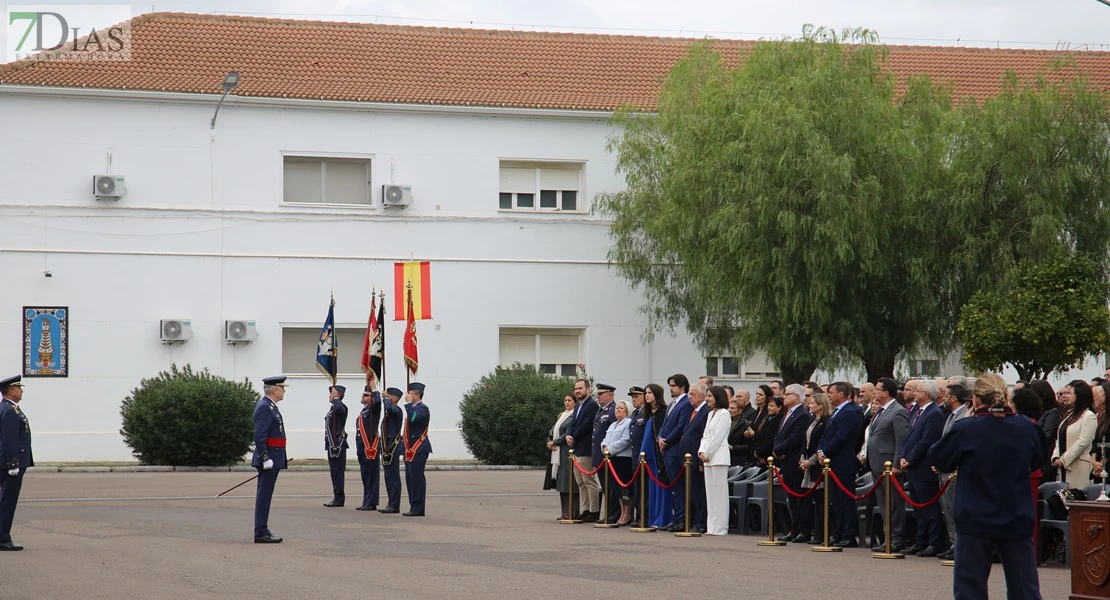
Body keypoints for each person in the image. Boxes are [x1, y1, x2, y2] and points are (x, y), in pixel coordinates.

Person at [929, 373, 1047, 600]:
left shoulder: (966, 428)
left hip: (975, 514)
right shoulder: (1026, 427)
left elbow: (940, 459)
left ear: (975, 399)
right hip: (1016, 512)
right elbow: (1038, 460)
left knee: (970, 587)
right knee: (1024, 587)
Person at [898, 379, 946, 557]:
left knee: (929, 508)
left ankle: (935, 542)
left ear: (926, 394)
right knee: (918, 508)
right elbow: (909, 437)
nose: (914, 393)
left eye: (917, 391)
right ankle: (920, 541)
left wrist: (910, 459)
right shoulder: (916, 411)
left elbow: (927, 440)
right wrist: (903, 456)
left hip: (924, 467)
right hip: (912, 467)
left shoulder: (934, 413)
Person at [817, 382, 864, 548]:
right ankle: (837, 532)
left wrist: (826, 452)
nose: (828, 395)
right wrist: (820, 451)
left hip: (843, 462)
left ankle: (848, 534)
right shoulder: (836, 412)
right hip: (831, 463)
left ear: (841, 394)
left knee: (845, 501)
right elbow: (825, 435)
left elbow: (841, 437)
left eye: (831, 392)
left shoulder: (849, 412)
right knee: (835, 501)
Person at [867, 377, 909, 553]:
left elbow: (901, 439)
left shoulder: (898, 411)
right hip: (877, 464)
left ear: (886, 392)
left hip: (889, 465)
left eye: (877, 389)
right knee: (884, 503)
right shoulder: (880, 411)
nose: (874, 392)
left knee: (894, 504)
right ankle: (887, 537)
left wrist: (896, 463)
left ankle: (897, 538)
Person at [935, 382, 972, 561]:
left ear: (954, 398)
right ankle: (953, 544)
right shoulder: (950, 416)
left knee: (955, 509)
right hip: (945, 470)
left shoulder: (965, 416)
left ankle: (960, 545)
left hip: (955, 471)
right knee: (947, 509)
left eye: (946, 395)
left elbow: (958, 443)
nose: (943, 398)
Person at [774, 384, 814, 542]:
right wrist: (776, 449)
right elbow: (779, 435)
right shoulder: (787, 414)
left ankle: (803, 530)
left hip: (794, 460)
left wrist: (780, 449)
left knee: (800, 498)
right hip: (784, 460)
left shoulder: (802, 415)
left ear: (797, 396)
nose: (784, 397)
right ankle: (794, 528)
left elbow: (796, 438)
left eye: (787, 394)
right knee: (792, 498)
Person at [252, 375, 289, 543]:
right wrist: (265, 457)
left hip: (274, 456)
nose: (284, 391)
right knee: (264, 496)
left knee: (266, 495)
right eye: (282, 388)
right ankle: (261, 532)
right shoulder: (265, 407)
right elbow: (260, 436)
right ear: (274, 390)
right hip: (270, 458)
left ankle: (262, 529)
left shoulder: (270, 406)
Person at [0, 375, 31, 551]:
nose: (22, 391)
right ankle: (3, 538)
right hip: (9, 463)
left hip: (6, 462)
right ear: (11, 391)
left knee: (5, 500)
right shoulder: (10, 410)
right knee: (7, 501)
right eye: (19, 388)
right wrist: (13, 464)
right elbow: (10, 439)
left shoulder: (7, 408)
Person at [658, 374, 693, 530]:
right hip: (666, 449)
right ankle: (676, 518)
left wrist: (667, 441)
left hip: (674, 449)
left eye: (673, 385)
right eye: (670, 385)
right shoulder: (673, 404)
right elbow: (665, 424)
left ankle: (682, 519)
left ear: (682, 387)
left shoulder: (685, 403)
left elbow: (680, 427)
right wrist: (660, 437)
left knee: (680, 487)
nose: (670, 388)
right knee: (674, 488)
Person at [674, 382, 709, 533]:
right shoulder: (694, 411)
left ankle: (701, 523)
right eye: (689, 394)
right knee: (691, 492)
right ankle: (693, 520)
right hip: (687, 460)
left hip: (696, 459)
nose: (690, 397)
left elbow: (703, 436)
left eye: (693, 394)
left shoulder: (706, 411)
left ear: (702, 396)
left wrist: (701, 460)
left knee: (698, 492)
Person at [798, 392, 831, 544]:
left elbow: (820, 445)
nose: (809, 405)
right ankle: (813, 532)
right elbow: (805, 442)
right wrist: (802, 459)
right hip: (808, 463)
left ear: (820, 405)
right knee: (812, 501)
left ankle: (821, 534)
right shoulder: (812, 420)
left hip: (818, 465)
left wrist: (811, 461)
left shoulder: (825, 422)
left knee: (820, 502)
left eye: (812, 403)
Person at [1052, 380, 1097, 489]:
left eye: (1070, 393)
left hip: (1078, 465)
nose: (1067, 396)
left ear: (1079, 396)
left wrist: (1064, 459)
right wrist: (1056, 457)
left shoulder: (1088, 416)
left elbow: (1083, 442)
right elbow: (1060, 437)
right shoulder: (1070, 415)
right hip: (1063, 466)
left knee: (1077, 497)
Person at [699, 386, 732, 535]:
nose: (708, 399)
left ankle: (720, 527)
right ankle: (711, 526)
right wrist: (701, 451)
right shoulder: (710, 414)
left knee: (719, 491)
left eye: (710, 396)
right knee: (710, 492)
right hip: (708, 456)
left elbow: (719, 436)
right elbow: (706, 435)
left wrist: (709, 452)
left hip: (718, 456)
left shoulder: (724, 414)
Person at [566, 378, 600, 522]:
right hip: (576, 448)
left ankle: (594, 511)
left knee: (589, 481)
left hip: (585, 448)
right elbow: (573, 423)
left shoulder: (591, 405)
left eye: (580, 388)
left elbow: (586, 425)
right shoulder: (578, 406)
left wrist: (573, 436)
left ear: (588, 389)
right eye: (576, 389)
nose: (578, 391)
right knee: (580, 482)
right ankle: (585, 509)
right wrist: (568, 434)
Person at [639, 383, 672, 529]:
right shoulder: (648, 413)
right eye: (646, 393)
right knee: (652, 489)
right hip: (649, 457)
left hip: (659, 456)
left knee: (662, 487)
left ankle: (663, 519)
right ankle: (652, 518)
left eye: (650, 393)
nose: (647, 395)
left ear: (657, 395)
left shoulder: (663, 411)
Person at [601, 398, 634, 526]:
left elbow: (625, 440)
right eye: (617, 408)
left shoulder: (628, 423)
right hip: (612, 459)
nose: (618, 410)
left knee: (625, 487)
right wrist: (604, 447)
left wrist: (610, 449)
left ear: (627, 411)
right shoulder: (612, 424)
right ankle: (622, 512)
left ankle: (627, 513)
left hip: (623, 458)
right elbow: (605, 439)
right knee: (617, 488)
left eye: (621, 408)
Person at [545, 394, 576, 520]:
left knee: (569, 483)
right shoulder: (562, 415)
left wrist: (555, 442)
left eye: (569, 400)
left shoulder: (574, 416)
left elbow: (568, 432)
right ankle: (564, 512)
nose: (567, 403)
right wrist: (549, 441)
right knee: (561, 483)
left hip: (567, 452)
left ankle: (572, 512)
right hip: (557, 453)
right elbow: (553, 431)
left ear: (575, 402)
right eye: (565, 400)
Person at [592, 383, 620, 524]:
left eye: (601, 394)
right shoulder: (601, 410)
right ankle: (609, 513)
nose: (598, 396)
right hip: (600, 455)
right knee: (605, 486)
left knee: (611, 487)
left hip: (609, 456)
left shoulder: (613, 410)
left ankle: (613, 514)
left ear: (610, 395)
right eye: (598, 394)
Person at [402, 382, 431, 517]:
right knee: (410, 478)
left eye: (411, 393)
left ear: (417, 395)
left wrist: (408, 404)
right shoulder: (413, 408)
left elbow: (413, 419)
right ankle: (413, 505)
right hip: (410, 449)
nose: (408, 395)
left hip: (419, 449)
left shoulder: (423, 409)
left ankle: (418, 508)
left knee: (417, 479)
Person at [354, 381, 383, 511]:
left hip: (370, 447)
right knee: (365, 476)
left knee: (372, 476)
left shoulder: (373, 409)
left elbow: (378, 403)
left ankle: (371, 502)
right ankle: (366, 500)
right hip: (362, 448)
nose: (363, 397)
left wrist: (374, 389)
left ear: (371, 398)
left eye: (366, 395)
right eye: (363, 394)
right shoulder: (364, 410)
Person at [377, 387, 405, 514]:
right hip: (386, 448)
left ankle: (394, 505)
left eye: (389, 396)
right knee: (388, 477)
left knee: (393, 477)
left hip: (393, 448)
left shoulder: (396, 410)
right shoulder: (390, 413)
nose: (386, 397)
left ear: (394, 398)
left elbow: (389, 407)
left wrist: (385, 398)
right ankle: (391, 503)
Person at [323, 384, 348, 508]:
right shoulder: (333, 409)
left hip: (338, 445)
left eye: (332, 393)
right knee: (334, 472)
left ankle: (339, 498)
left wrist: (336, 398)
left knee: (338, 472)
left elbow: (340, 410)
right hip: (331, 444)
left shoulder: (341, 407)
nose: (330, 396)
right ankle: (336, 496)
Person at [626, 387, 648, 527]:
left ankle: (644, 516)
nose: (634, 399)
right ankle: (638, 515)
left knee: (644, 488)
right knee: (637, 488)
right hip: (634, 455)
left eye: (637, 396)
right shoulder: (635, 413)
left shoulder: (646, 413)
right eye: (632, 397)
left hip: (643, 455)